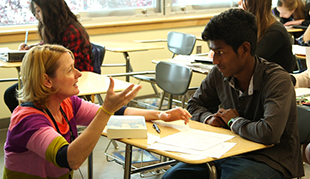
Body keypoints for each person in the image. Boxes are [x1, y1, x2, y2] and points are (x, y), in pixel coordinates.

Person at [3, 44, 192, 179]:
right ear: (47, 81)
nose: (78, 74)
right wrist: (107, 110)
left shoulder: (67, 103)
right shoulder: (27, 120)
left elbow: (119, 113)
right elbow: (70, 159)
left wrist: (161, 115)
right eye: (70, 70)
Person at [162, 8, 303, 179]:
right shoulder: (219, 73)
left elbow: (269, 133)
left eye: (220, 52)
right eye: (213, 52)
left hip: (269, 159)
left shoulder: (277, 80)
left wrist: (233, 121)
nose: (215, 60)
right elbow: (194, 105)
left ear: (244, 49)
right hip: (226, 150)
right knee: (172, 176)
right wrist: (208, 118)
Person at [4, 0, 94, 113]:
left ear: (50, 10)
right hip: (55, 75)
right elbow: (46, 47)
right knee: (13, 94)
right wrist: (31, 48)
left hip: (73, 77)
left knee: (14, 94)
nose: (36, 16)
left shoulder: (72, 31)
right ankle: (35, 122)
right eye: (35, 12)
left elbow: (67, 65)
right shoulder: (52, 28)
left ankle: (41, 121)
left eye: (38, 11)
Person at [238, 0, 296, 73]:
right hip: (261, 78)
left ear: (253, 5)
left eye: (243, 0)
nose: (239, 3)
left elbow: (249, 61)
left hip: (277, 81)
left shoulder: (275, 32)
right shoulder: (254, 27)